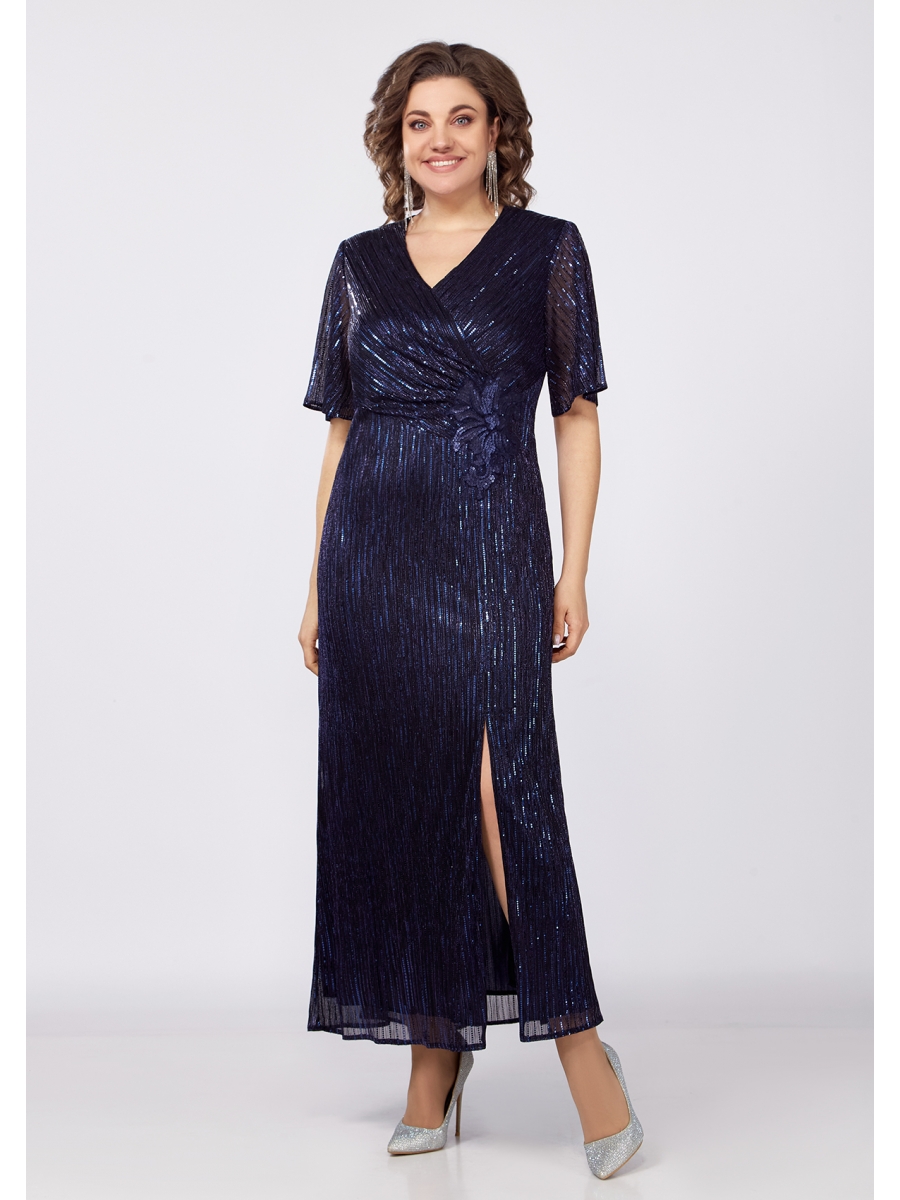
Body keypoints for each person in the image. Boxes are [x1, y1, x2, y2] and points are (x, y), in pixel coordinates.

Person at [298, 41, 643, 1180]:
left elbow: (576, 415)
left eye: (461, 117)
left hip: (496, 545)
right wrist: (316, 583)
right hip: (373, 559)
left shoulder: (549, 251)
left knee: (506, 797)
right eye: (418, 122)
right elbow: (342, 433)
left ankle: (585, 1056)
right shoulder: (358, 264)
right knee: (401, 794)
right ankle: (432, 1057)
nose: (438, 138)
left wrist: (574, 572)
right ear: (394, 142)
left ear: (500, 132)